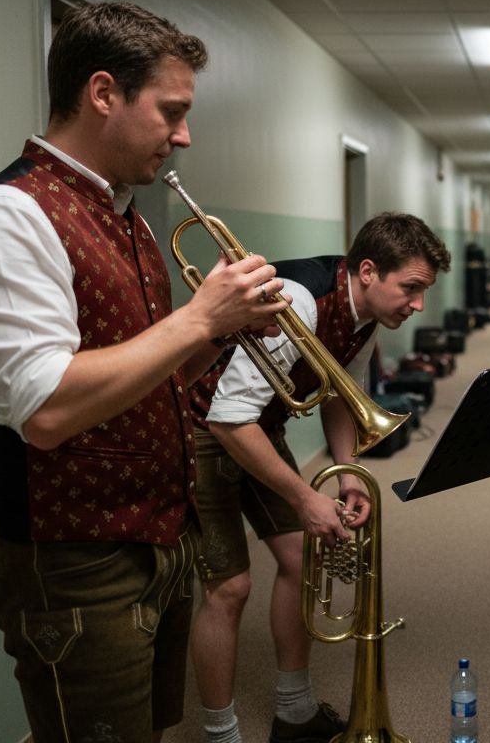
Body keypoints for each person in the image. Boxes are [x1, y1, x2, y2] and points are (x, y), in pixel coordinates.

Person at [0, 2, 288, 743]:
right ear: (103, 94)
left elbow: (145, 376)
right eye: (172, 111)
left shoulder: (127, 216)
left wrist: (222, 333)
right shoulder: (6, 215)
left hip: (156, 538)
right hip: (73, 558)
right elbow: (48, 409)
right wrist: (198, 318)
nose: (184, 135)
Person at [189, 213, 451, 743]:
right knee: (229, 588)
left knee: (296, 557)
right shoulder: (300, 302)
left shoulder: (369, 314)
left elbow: (338, 393)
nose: (419, 305)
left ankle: (294, 711)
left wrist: (349, 474)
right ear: (370, 272)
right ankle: (221, 735)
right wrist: (305, 495)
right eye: (412, 288)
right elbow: (226, 418)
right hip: (200, 429)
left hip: (257, 425)